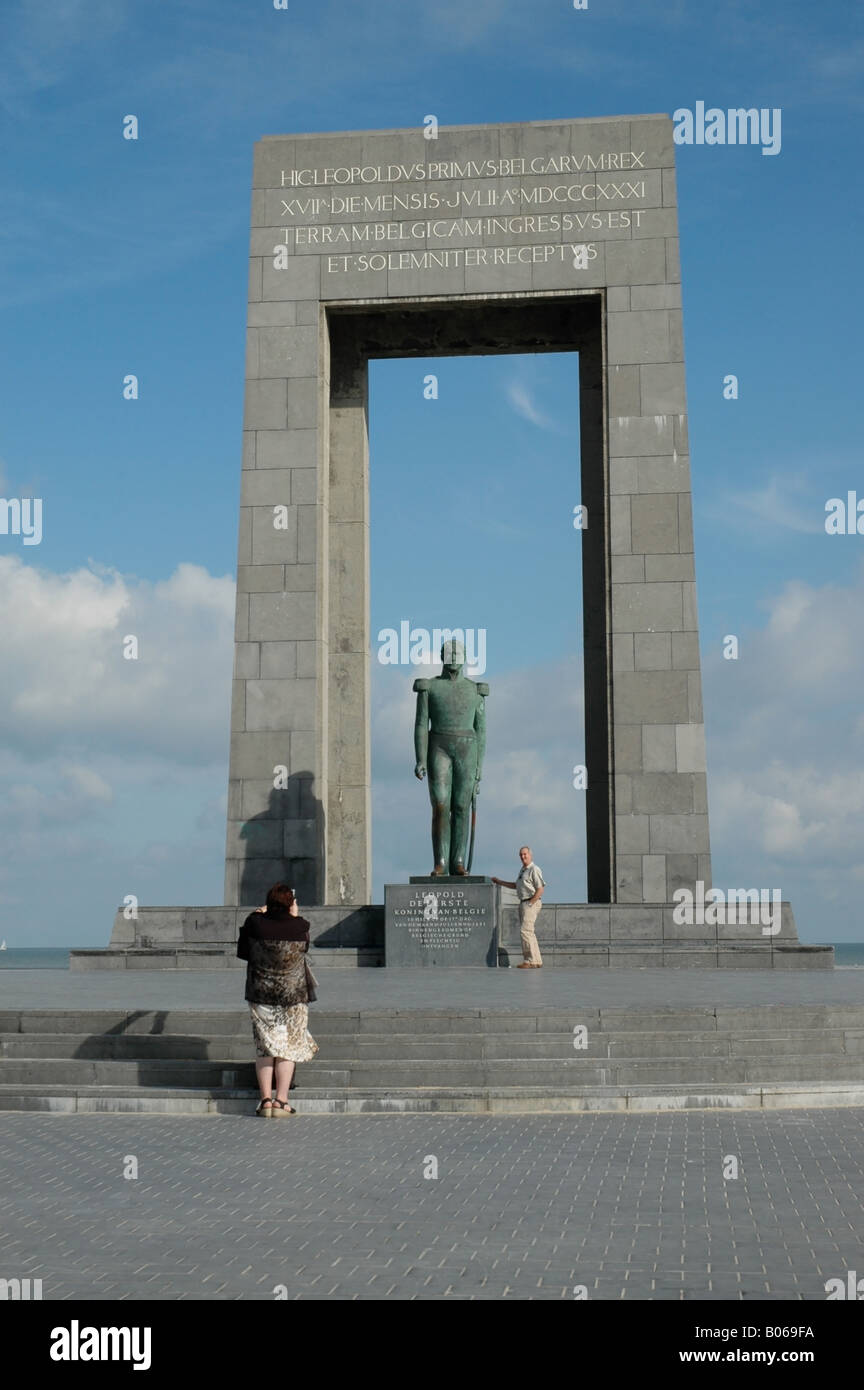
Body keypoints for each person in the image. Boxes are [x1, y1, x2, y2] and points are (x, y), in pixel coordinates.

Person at [236, 882, 318, 1116]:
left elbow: (243, 952)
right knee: (288, 1048)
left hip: (261, 995)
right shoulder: (300, 926)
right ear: (291, 904)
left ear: (269, 903)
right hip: (293, 997)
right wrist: (296, 915)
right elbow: (304, 949)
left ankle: (265, 1101)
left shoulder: (255, 924)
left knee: (265, 1048)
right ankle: (282, 1100)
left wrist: (256, 913)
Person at [492, 846, 546, 968]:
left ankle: (529, 960)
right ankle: (537, 961)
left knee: (525, 931)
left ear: (530, 855)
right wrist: (500, 882)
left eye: (525, 854)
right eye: (521, 855)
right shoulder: (523, 870)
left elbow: (540, 889)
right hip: (523, 902)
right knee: (529, 932)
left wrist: (531, 903)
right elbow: (516, 885)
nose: (523, 857)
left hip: (530, 902)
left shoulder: (534, 869)